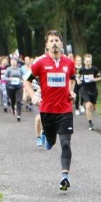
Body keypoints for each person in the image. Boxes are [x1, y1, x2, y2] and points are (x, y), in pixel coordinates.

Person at [24, 30, 77, 191]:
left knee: (66, 143)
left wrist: (71, 91)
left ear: (61, 43)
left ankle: (65, 176)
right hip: (47, 110)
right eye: (51, 41)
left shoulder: (69, 63)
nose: (54, 43)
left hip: (65, 110)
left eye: (57, 40)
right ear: (47, 45)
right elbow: (26, 80)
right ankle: (47, 139)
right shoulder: (40, 63)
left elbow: (73, 78)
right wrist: (33, 96)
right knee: (52, 142)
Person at [78, 54, 101, 131]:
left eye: (90, 61)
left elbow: (100, 77)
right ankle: (90, 123)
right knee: (88, 106)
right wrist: (78, 81)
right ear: (84, 62)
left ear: (91, 61)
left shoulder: (95, 69)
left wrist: (94, 79)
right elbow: (77, 77)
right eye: (87, 61)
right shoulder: (81, 70)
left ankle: (94, 105)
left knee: (93, 107)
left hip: (93, 90)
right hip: (84, 90)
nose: (88, 62)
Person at [2, 56, 24, 121]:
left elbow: (23, 76)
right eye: (12, 61)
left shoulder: (19, 69)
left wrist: (22, 80)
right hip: (10, 87)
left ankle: (19, 115)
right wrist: (9, 79)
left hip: (19, 86)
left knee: (18, 101)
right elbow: (4, 77)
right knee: (13, 100)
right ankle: (13, 109)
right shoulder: (8, 69)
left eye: (15, 61)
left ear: (17, 62)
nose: (14, 62)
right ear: (10, 62)